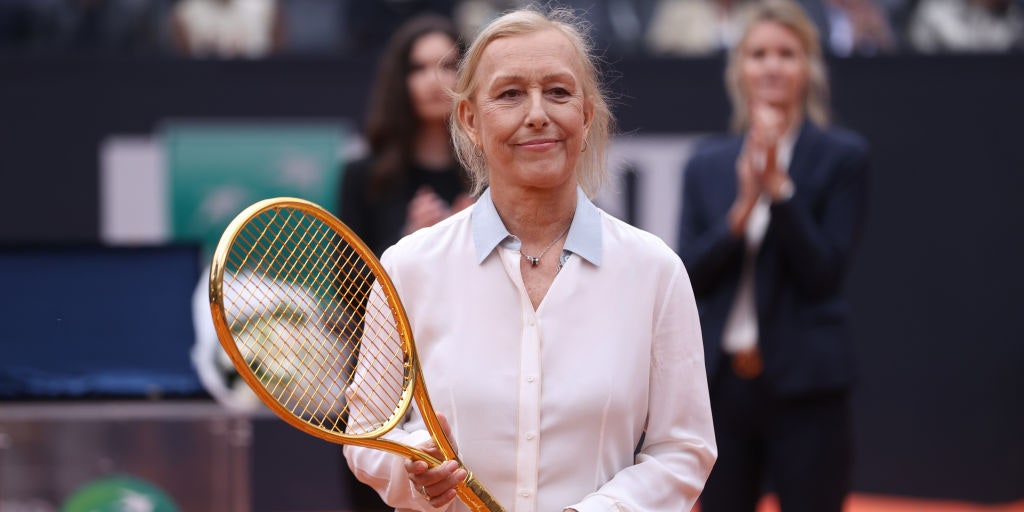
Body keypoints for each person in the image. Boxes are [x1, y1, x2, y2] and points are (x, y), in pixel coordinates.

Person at [344, 7, 717, 512]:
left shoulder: (656, 271)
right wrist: (413, 466)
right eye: (510, 94)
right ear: (470, 121)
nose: (538, 113)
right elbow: (368, 434)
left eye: (559, 92)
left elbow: (684, 449)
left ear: (586, 116)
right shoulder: (408, 267)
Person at [676, 0, 870, 510]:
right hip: (722, 388)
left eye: (787, 53)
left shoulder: (841, 156)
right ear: (739, 67)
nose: (772, 66)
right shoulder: (707, 163)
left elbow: (823, 274)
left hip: (809, 387)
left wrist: (779, 191)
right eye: (758, 53)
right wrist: (740, 213)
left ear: (809, 67)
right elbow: (688, 276)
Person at [338, 14, 472, 258]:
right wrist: (409, 239)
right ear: (399, 81)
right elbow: (347, 277)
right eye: (418, 68)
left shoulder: (490, 173)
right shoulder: (364, 175)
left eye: (448, 66)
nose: (434, 81)